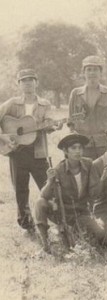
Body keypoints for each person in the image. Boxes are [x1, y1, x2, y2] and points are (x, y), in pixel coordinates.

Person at [0, 69, 62, 232]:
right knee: (21, 189)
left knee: (47, 186)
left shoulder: (44, 104)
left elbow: (48, 124)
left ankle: (55, 219)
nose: (27, 83)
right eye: (24, 80)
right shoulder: (12, 103)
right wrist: (5, 138)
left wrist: (54, 126)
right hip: (16, 151)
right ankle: (26, 223)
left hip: (38, 151)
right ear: (19, 84)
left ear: (36, 82)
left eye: (31, 79)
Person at [34, 133, 105, 253]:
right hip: (62, 213)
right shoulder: (58, 169)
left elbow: (95, 193)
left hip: (81, 212)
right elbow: (44, 196)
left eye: (80, 148)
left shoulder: (89, 165)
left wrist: (103, 180)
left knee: (101, 235)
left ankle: (75, 233)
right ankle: (45, 243)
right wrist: (50, 181)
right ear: (65, 151)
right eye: (73, 148)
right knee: (40, 203)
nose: (78, 151)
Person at [68, 55, 107, 160]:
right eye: (88, 70)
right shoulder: (75, 93)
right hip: (82, 144)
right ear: (83, 73)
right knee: (85, 172)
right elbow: (71, 121)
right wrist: (74, 142)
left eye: (95, 70)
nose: (92, 73)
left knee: (104, 172)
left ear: (100, 73)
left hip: (103, 143)